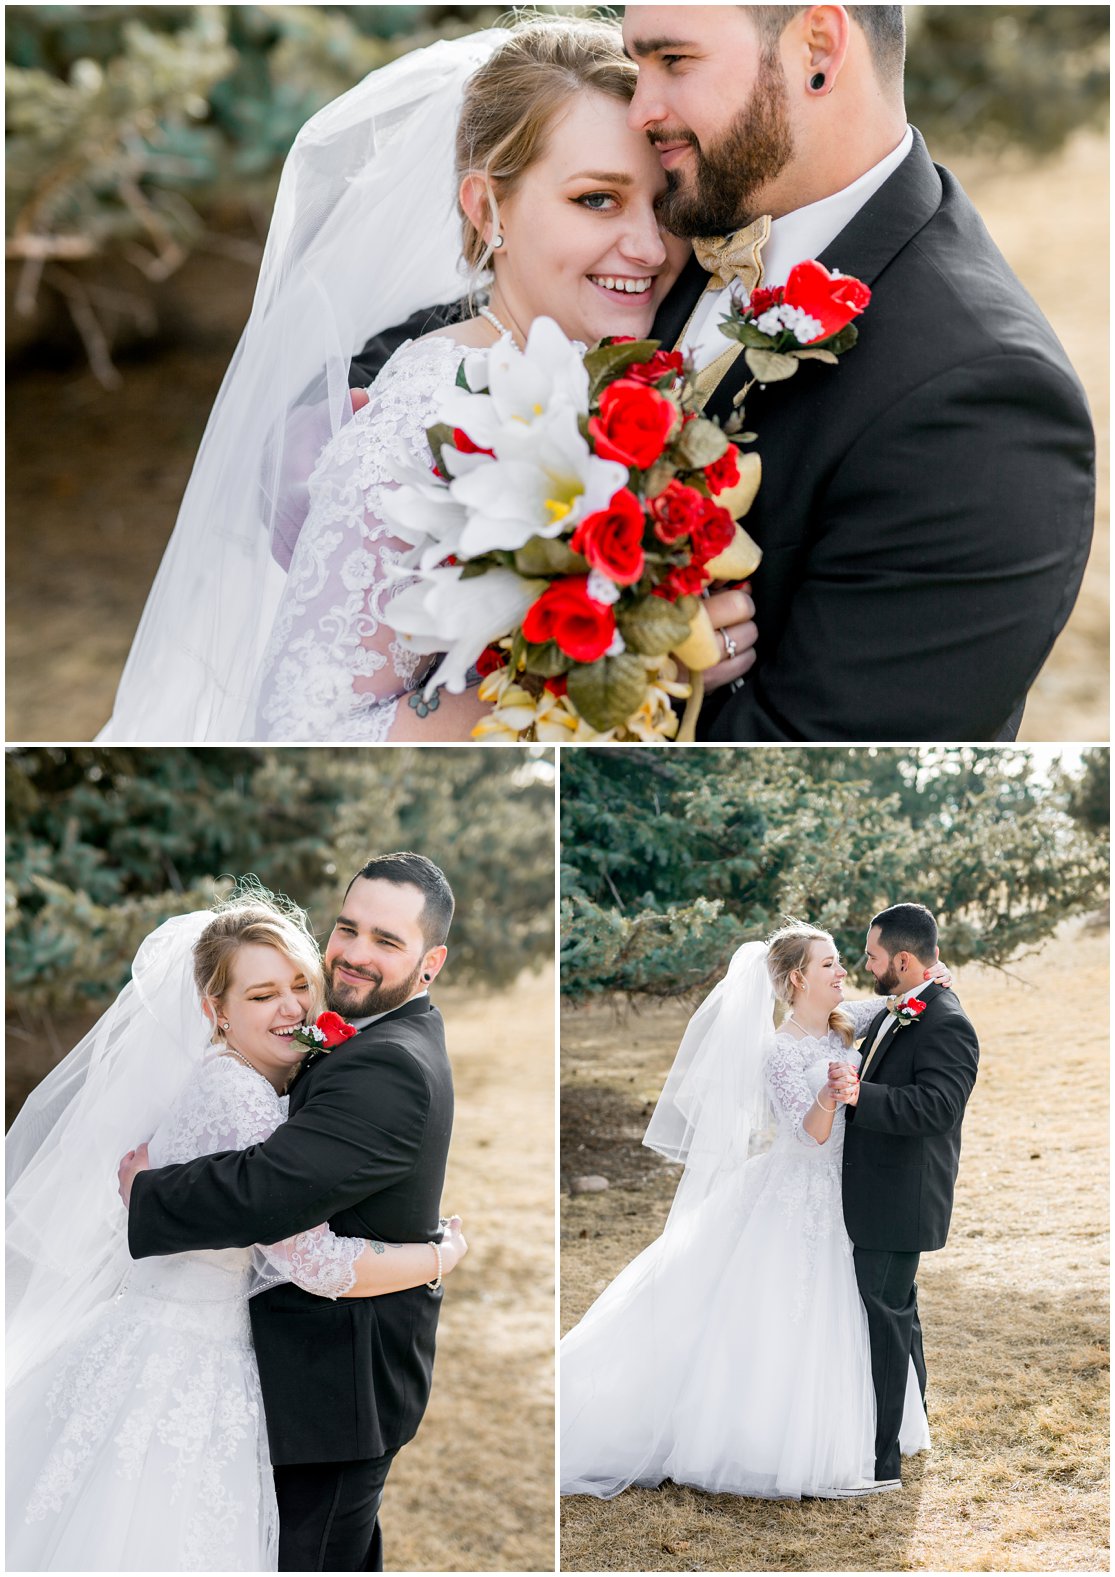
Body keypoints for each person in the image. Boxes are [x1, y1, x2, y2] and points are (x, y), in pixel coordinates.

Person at [361, 3, 1095, 743]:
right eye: (636, 63)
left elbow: (808, 772)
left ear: (818, 47)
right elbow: (514, 304)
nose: (641, 109)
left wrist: (628, 680)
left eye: (673, 62)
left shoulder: (979, 403)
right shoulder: (695, 203)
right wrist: (360, 432)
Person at [98, 20, 755, 742]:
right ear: (485, 208)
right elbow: (301, 730)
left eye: (663, 203)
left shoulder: (639, 382)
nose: (647, 245)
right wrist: (615, 678)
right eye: (595, 199)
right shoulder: (417, 421)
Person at [6, 890, 467, 1572]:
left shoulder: (252, 1077)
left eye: (298, 986)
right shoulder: (240, 1094)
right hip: (186, 1357)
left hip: (183, 1340)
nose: (291, 1009)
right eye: (260, 995)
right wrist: (438, 1254)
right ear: (215, 1011)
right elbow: (309, 1259)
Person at [559, 916, 971, 1500]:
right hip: (799, 1188)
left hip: (855, 1193)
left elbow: (902, 1007)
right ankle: (771, 1439)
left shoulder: (845, 1021)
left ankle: (877, 1428)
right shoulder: (777, 1051)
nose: (844, 971)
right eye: (829, 964)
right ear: (797, 980)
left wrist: (933, 980)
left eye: (843, 962)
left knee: (871, 1306)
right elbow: (806, 1136)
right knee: (792, 1308)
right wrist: (830, 1097)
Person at [826, 902, 980, 1486]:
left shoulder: (945, 1020)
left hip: (900, 1199)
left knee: (884, 1321)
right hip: (879, 1193)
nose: (867, 966)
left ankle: (881, 1460)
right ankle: (909, 1433)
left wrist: (862, 1096)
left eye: (873, 956)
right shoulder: (907, 1003)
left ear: (906, 960)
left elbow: (939, 1107)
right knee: (898, 1313)